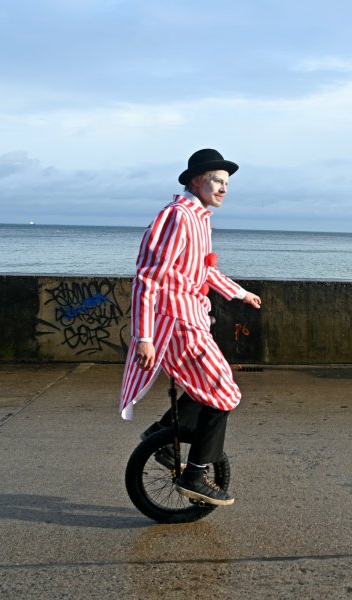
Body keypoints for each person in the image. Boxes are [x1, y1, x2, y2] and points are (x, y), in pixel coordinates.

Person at [119, 148, 261, 506]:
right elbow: (147, 277)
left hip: (193, 316)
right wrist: (144, 337)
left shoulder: (199, 218)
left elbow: (205, 270)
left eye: (227, 183)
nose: (224, 188)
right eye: (217, 180)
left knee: (212, 385)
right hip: (177, 322)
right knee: (224, 392)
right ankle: (196, 475)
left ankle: (164, 437)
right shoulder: (177, 216)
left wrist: (240, 293)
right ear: (196, 180)